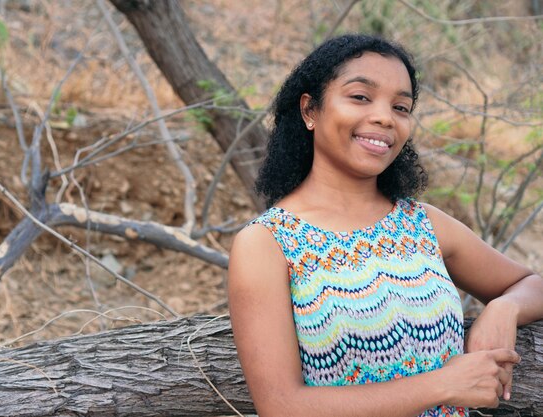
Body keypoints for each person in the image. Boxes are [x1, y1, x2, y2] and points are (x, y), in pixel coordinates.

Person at [228, 33, 543, 417]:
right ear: (310, 110)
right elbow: (281, 407)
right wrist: (442, 384)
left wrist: (503, 309)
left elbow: (530, 284)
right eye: (361, 97)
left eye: (401, 106)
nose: (384, 117)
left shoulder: (420, 223)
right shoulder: (268, 243)